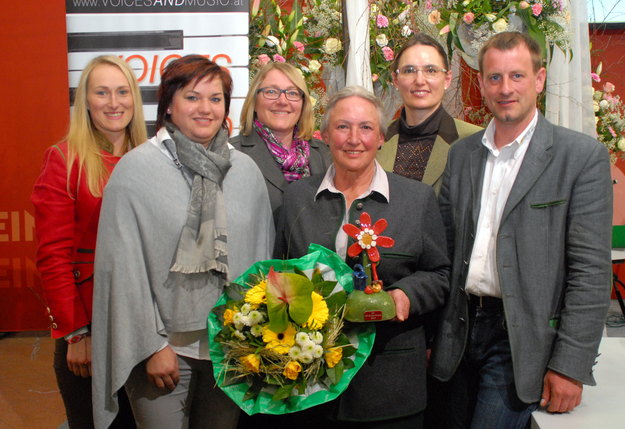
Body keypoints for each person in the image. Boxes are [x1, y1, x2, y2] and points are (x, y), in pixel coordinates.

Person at [429, 32, 613, 429]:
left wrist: (570, 367)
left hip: (520, 339)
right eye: (494, 78)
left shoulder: (580, 157)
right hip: (459, 333)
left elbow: (591, 274)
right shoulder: (462, 155)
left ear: (540, 79)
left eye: (517, 76)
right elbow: (443, 251)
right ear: (481, 84)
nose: (505, 88)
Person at [91, 55, 274, 428]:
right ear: (169, 106)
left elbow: (260, 261)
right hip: (162, 349)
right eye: (192, 97)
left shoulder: (245, 172)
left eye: (216, 98)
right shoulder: (136, 171)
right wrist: (152, 346)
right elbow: (123, 270)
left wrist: (252, 341)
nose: (205, 108)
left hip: (230, 349)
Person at [274, 86, 450, 428]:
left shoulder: (417, 199)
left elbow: (440, 274)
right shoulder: (298, 198)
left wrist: (405, 296)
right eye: (342, 127)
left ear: (382, 136)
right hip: (311, 384)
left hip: (389, 386)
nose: (354, 139)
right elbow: (278, 272)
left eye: (366, 128)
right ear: (324, 135)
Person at [31, 55, 146, 429]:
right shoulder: (64, 159)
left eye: (122, 91)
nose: (114, 103)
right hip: (91, 326)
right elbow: (53, 257)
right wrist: (76, 334)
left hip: (146, 325)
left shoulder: (153, 160)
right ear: (86, 100)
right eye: (102, 92)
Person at [377, 33, 481, 195]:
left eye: (431, 70)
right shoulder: (375, 138)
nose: (419, 80)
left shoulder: (475, 141)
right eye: (409, 70)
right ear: (396, 80)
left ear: (447, 79)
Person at [230, 62, 330, 224]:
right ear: (254, 102)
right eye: (271, 92)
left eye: (292, 93)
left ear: (303, 103)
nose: (282, 101)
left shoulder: (323, 154)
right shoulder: (232, 154)